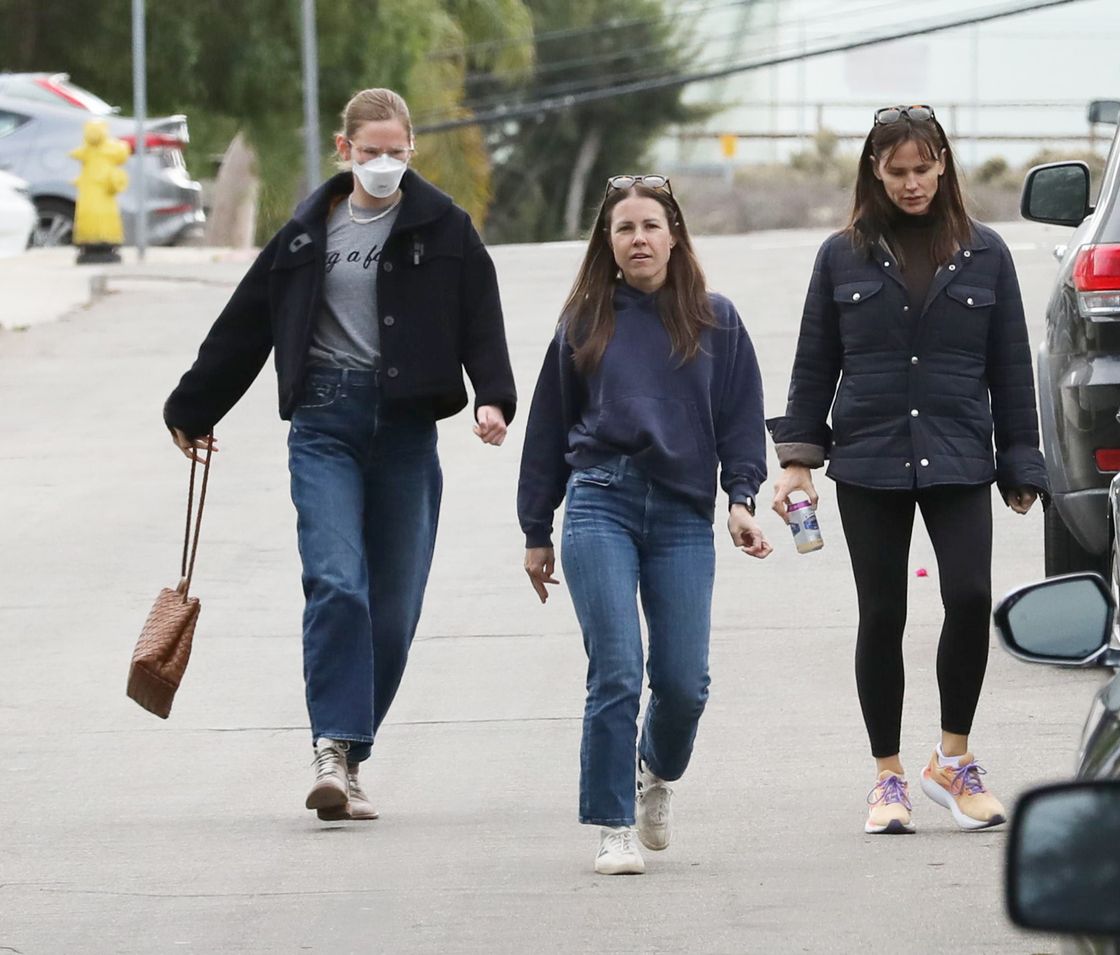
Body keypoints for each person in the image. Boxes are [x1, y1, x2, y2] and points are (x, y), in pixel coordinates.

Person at [163, 88, 516, 821]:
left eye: (396, 151)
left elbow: (480, 314)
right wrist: (193, 408)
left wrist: (493, 396)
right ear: (343, 149)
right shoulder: (305, 232)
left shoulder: (443, 226)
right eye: (370, 150)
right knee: (336, 581)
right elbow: (245, 325)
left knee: (392, 609)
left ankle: (350, 753)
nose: (383, 163)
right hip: (325, 422)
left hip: (407, 430)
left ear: (411, 149)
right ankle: (331, 744)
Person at [768, 105, 1047, 835]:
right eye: (898, 172)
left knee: (968, 595)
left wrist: (1021, 461)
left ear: (944, 166)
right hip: (868, 457)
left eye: (924, 169)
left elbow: (1011, 368)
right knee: (882, 613)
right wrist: (797, 460)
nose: (913, 184)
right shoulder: (841, 256)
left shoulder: (985, 253)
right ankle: (887, 776)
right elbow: (813, 364)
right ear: (875, 172)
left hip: (958, 452)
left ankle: (953, 759)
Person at [518, 175, 772, 875]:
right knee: (618, 670)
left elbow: (742, 424)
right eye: (624, 227)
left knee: (684, 682)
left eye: (651, 226)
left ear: (675, 235)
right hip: (601, 500)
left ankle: (654, 769)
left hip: (684, 513)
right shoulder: (584, 321)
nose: (638, 238)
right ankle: (611, 824)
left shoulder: (716, 321)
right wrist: (536, 530)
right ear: (608, 240)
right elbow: (546, 430)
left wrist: (741, 500)